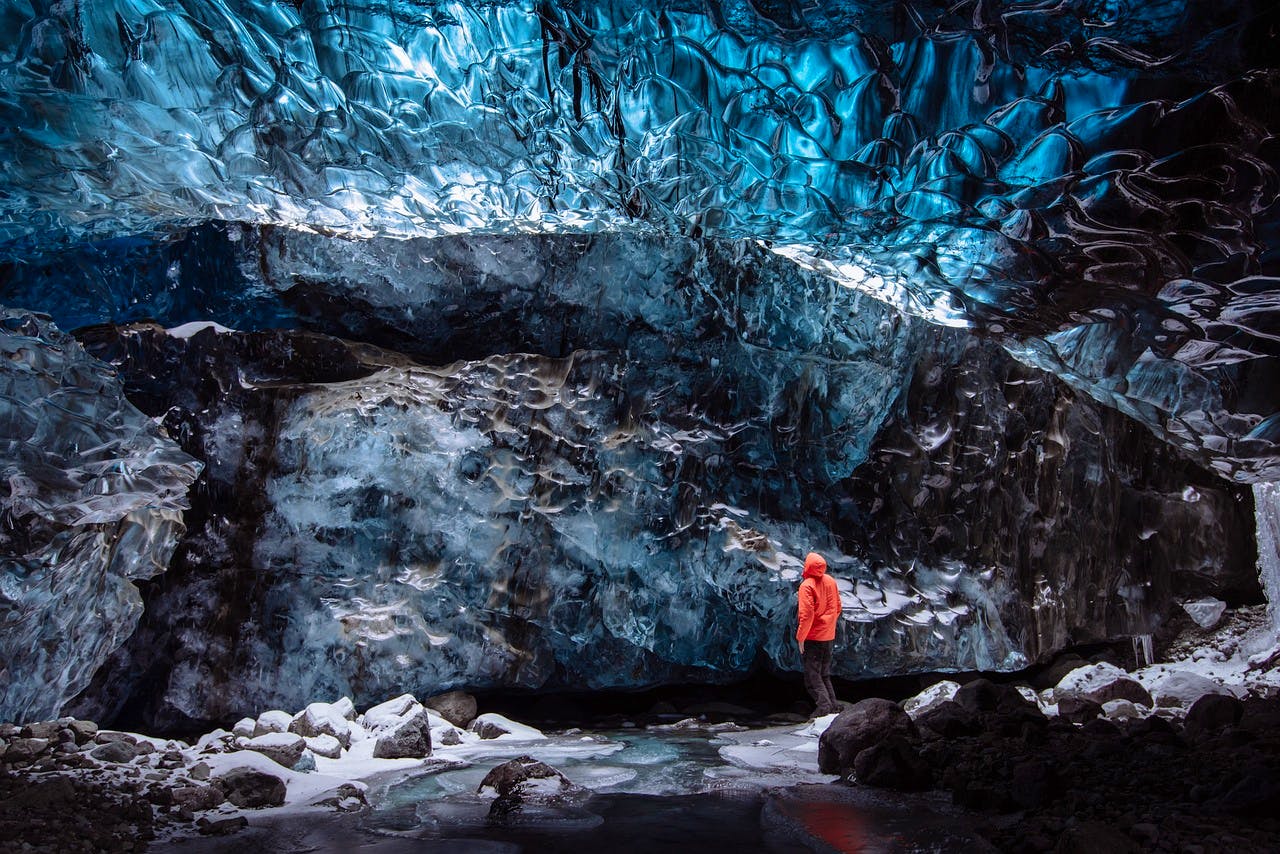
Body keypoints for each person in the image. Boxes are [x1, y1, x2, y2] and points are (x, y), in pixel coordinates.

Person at [796, 551, 841, 717]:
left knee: (812, 677)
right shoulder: (830, 581)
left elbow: (806, 616)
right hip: (828, 635)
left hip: (813, 637)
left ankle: (824, 707)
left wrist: (801, 638)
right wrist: (828, 625)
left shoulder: (807, 586)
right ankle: (833, 705)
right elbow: (838, 606)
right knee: (824, 674)